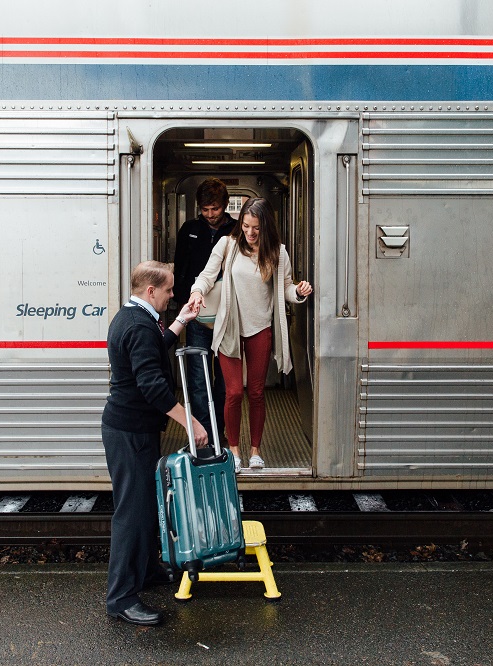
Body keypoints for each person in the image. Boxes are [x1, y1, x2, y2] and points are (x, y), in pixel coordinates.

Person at [102, 260, 207, 626]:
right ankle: (120, 598)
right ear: (151, 291)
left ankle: (145, 572)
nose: (172, 296)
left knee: (146, 507)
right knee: (131, 514)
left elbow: (153, 348)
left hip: (133, 429)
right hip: (129, 432)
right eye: (168, 291)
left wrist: (182, 322)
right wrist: (190, 422)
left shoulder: (132, 318)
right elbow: (152, 386)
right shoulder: (139, 326)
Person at [186, 198, 313, 473]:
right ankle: (234, 451)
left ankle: (255, 450)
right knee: (233, 393)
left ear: (266, 226)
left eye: (256, 227)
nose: (250, 233)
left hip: (260, 328)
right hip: (229, 327)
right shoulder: (227, 245)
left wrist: (299, 292)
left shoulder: (278, 252)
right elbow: (207, 276)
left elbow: (287, 289)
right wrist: (197, 292)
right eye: (245, 226)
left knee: (256, 393)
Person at [172, 178, 237, 453]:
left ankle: (219, 433)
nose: (210, 214)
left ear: (224, 205)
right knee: (198, 381)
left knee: (223, 383)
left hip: (227, 316)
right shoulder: (189, 229)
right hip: (197, 315)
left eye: (215, 208)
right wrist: (181, 302)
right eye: (205, 209)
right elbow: (181, 267)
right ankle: (204, 436)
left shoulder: (236, 231)